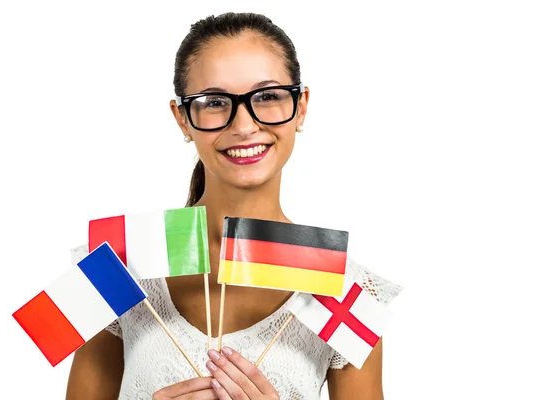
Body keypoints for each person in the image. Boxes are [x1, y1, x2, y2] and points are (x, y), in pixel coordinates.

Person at [66, 12, 401, 400]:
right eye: (213, 102)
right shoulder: (118, 264)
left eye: (268, 96)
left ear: (301, 105)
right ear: (183, 120)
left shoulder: (346, 294)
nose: (243, 125)